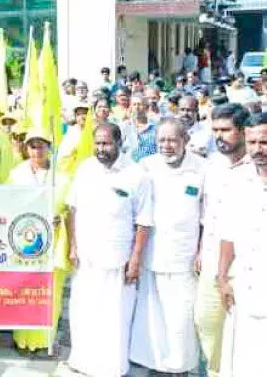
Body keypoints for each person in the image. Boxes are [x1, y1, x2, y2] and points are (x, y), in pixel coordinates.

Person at [65, 123, 153, 377]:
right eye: (97, 143)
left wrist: (135, 260)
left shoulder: (136, 174)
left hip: (117, 259)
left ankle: (112, 368)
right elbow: (72, 209)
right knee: (83, 311)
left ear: (119, 143)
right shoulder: (85, 169)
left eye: (106, 143)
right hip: (86, 258)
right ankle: (82, 362)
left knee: (115, 316)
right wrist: (73, 246)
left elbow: (144, 221)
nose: (101, 149)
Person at [130, 119, 204, 374]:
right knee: (152, 313)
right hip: (152, 253)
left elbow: (208, 215)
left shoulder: (201, 168)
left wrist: (202, 249)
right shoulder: (146, 166)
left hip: (185, 256)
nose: (167, 145)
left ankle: (180, 366)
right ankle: (154, 363)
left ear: (186, 140)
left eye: (173, 140)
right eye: (162, 140)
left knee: (181, 317)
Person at [217, 111, 267, 376]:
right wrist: (221, 278)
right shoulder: (239, 182)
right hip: (243, 291)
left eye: (265, 142)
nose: (257, 149)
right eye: (252, 142)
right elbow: (227, 234)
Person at [195, 103, 249, 376]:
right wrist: (199, 250)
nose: (219, 136)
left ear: (243, 131)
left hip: (244, 264)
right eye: (215, 130)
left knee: (240, 329)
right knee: (205, 321)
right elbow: (204, 213)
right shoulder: (212, 165)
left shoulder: (258, 167)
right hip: (211, 259)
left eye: (226, 130)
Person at [8, 131, 68, 353]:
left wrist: (60, 218)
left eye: (41, 145)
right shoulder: (16, 175)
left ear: (49, 148)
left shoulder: (61, 177)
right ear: (26, 149)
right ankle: (22, 338)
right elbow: (6, 203)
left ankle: (46, 338)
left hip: (53, 240)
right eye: (32, 146)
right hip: (24, 242)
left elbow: (70, 208)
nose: (37, 151)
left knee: (51, 290)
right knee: (26, 290)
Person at [122, 95, 157, 161]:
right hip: (130, 163)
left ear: (146, 107)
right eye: (134, 104)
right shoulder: (124, 126)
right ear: (130, 107)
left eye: (139, 104)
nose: (136, 107)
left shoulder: (154, 126)